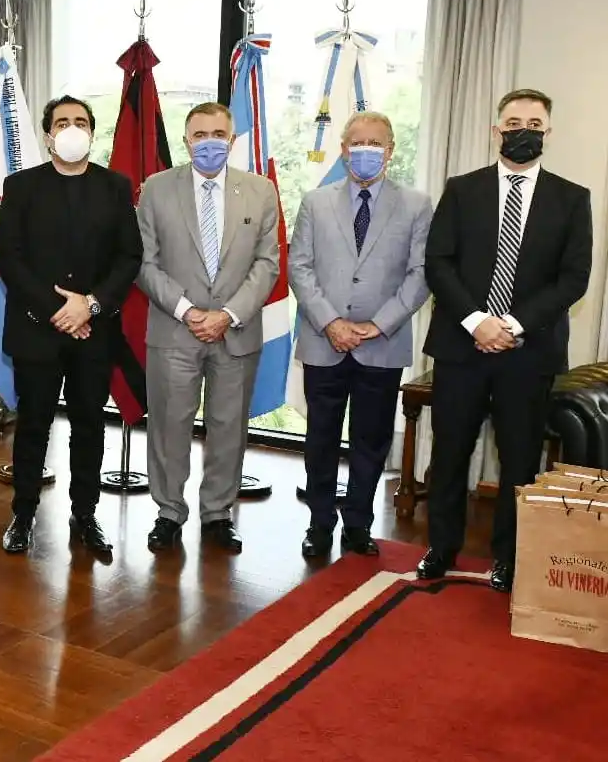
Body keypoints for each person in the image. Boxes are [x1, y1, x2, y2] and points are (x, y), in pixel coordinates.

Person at [419, 88, 592, 593]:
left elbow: (572, 278)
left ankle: (508, 559)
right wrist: (477, 321)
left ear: (547, 133)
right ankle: (441, 547)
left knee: (520, 460)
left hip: (529, 351)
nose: (523, 131)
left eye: (534, 124)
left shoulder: (571, 197)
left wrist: (512, 325)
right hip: (461, 345)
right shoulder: (462, 189)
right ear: (497, 130)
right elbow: (438, 263)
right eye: (513, 122)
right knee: (450, 451)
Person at [0, 96, 142, 556]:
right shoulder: (21, 186)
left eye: (80, 121)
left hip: (95, 332)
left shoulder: (115, 187)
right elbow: (10, 259)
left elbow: (129, 256)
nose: (72, 128)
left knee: (89, 427)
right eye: (63, 121)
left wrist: (91, 307)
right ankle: (23, 514)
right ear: (48, 134)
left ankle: (85, 514)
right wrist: (59, 312)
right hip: (37, 329)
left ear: (92, 133)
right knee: (34, 424)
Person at [136, 101, 280, 555]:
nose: (210, 143)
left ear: (232, 139)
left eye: (219, 134)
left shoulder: (260, 191)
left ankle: (218, 513)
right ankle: (168, 512)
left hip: (235, 332)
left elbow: (268, 263)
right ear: (186, 140)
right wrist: (186, 311)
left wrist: (227, 314)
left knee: (228, 426)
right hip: (174, 330)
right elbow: (144, 262)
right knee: (168, 426)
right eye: (200, 135)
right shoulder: (156, 190)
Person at [288, 112, 432, 559]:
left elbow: (420, 274)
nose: (365, 150)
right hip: (323, 341)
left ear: (390, 150)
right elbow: (300, 266)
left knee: (371, 440)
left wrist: (377, 325)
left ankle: (357, 525)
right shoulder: (315, 201)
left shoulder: (416, 205)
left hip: (382, 345)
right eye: (356, 142)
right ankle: (319, 523)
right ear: (343, 148)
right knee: (321, 437)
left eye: (375, 143)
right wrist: (331, 322)